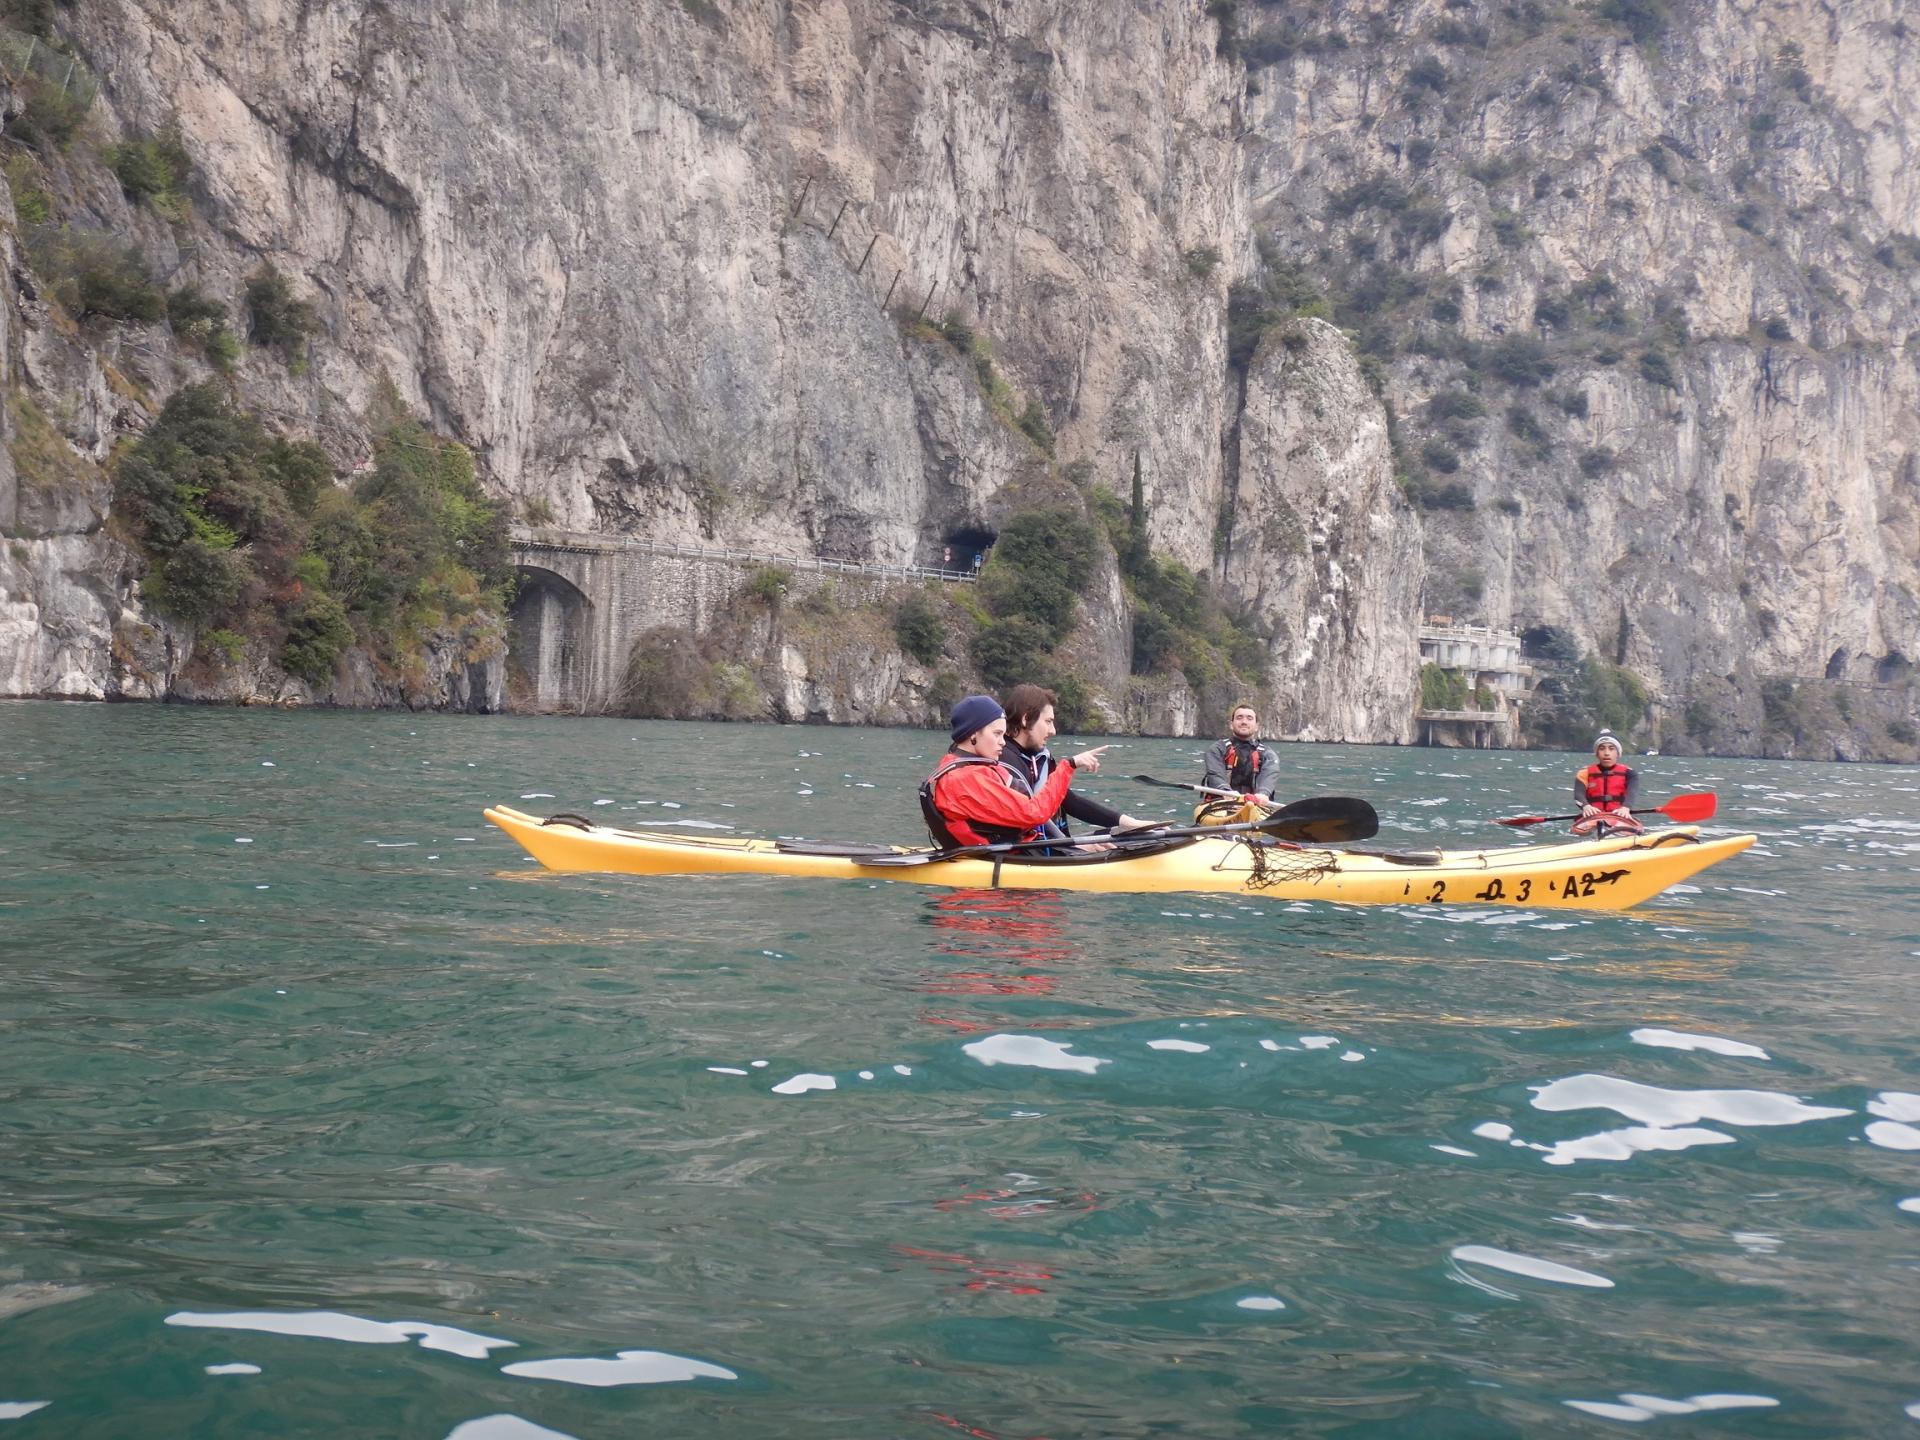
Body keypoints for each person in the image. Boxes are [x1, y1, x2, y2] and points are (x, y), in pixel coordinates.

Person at [921, 694, 1109, 848]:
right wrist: (1069, 766)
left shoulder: (967, 766)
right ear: (973, 734)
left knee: (1107, 839)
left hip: (1011, 852)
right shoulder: (966, 778)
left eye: (1003, 734)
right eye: (996, 734)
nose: (1003, 741)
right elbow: (1034, 813)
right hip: (1003, 864)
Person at [998, 683, 1150, 840]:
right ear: (1026, 719)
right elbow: (1029, 816)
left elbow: (1067, 800)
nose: (1053, 731)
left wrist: (1127, 822)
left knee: (1130, 837)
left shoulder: (1039, 757)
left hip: (1054, 848)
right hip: (1034, 855)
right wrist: (1073, 847)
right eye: (1048, 721)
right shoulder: (1003, 762)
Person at [1202, 702, 1281, 809]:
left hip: (1256, 805)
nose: (1244, 722)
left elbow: (1271, 773)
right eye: (1239, 718)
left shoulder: (1268, 754)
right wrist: (1226, 791)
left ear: (1257, 726)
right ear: (1231, 724)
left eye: (1249, 718)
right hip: (1222, 804)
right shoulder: (1217, 749)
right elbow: (1215, 774)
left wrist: (1263, 793)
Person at [1573, 731, 1643, 836]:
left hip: (1618, 815)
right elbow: (1578, 795)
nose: (1606, 753)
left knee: (1631, 833)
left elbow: (1632, 793)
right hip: (1593, 816)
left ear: (1618, 753)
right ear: (1596, 753)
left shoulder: (1630, 774)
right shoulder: (1584, 773)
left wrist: (1625, 808)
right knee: (1579, 832)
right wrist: (1586, 806)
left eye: (1611, 748)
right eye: (1602, 749)